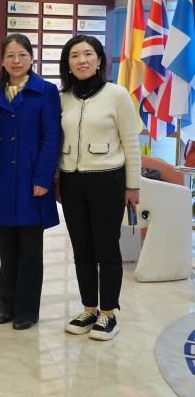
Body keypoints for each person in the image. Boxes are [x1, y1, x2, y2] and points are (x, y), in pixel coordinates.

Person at [58, 35, 140, 341]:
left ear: (99, 59)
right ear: (68, 63)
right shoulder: (62, 97)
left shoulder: (117, 95)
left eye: (88, 54)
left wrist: (133, 186)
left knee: (106, 248)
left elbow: (131, 144)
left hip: (108, 180)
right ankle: (88, 309)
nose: (82, 60)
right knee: (81, 249)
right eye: (75, 55)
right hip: (71, 181)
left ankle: (108, 314)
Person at [0, 34, 61, 330]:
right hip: (2, 178)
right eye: (10, 56)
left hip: (31, 180)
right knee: (7, 248)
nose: (16, 61)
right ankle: (7, 305)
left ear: (32, 58)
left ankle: (27, 310)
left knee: (30, 250)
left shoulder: (46, 91)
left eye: (22, 55)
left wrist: (43, 178)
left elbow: (52, 138)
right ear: (2, 61)